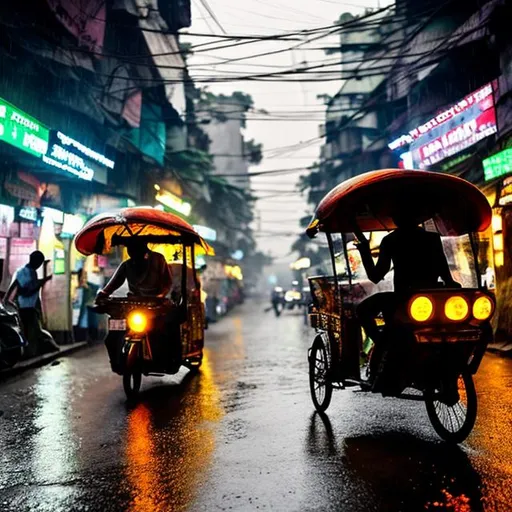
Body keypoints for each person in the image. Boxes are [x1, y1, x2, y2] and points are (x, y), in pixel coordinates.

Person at [353, 209, 460, 381]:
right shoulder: (432, 238)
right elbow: (445, 274)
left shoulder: (390, 240)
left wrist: (365, 251)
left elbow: (375, 276)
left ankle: (382, 343)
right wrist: (452, 286)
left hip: (403, 299)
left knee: (362, 311)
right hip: (432, 296)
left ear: (395, 218)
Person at [3, 251, 59, 357]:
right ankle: (29, 353)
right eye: (39, 262)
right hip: (25, 307)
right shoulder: (24, 272)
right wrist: (42, 282)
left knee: (33, 331)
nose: (39, 265)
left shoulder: (30, 271)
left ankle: (31, 352)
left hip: (29, 307)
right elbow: (25, 290)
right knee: (31, 332)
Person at [96, 242, 172, 299]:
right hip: (134, 302)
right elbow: (115, 282)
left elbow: (167, 282)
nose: (131, 252)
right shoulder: (127, 264)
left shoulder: (158, 259)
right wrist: (103, 293)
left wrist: (161, 295)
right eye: (129, 248)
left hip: (155, 302)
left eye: (135, 248)